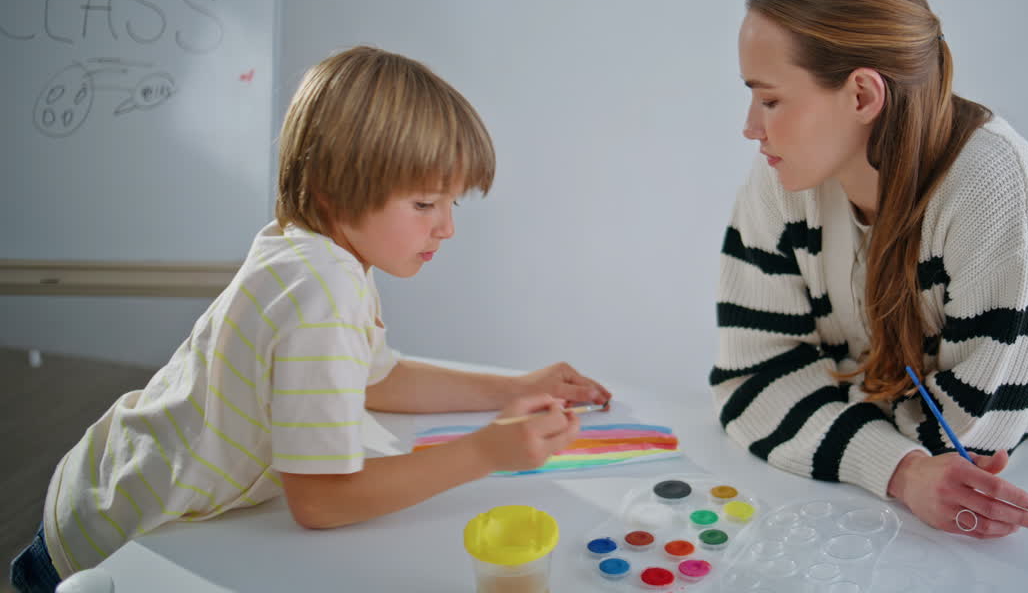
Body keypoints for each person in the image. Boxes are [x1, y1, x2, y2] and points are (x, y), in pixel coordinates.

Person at [10, 45, 611, 593]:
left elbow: (379, 379)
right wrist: (485, 453)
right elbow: (321, 501)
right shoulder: (322, 288)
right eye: (426, 203)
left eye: (451, 203)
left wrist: (518, 386)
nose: (446, 226)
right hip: (110, 547)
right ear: (331, 189)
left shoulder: (321, 251)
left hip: (106, 484)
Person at [711, 0, 1028, 540]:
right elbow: (749, 380)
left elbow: (963, 442)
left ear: (862, 95)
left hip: (1024, 503)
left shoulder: (1000, 195)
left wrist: (821, 409)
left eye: (770, 99)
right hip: (869, 504)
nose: (751, 127)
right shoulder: (783, 181)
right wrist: (898, 469)